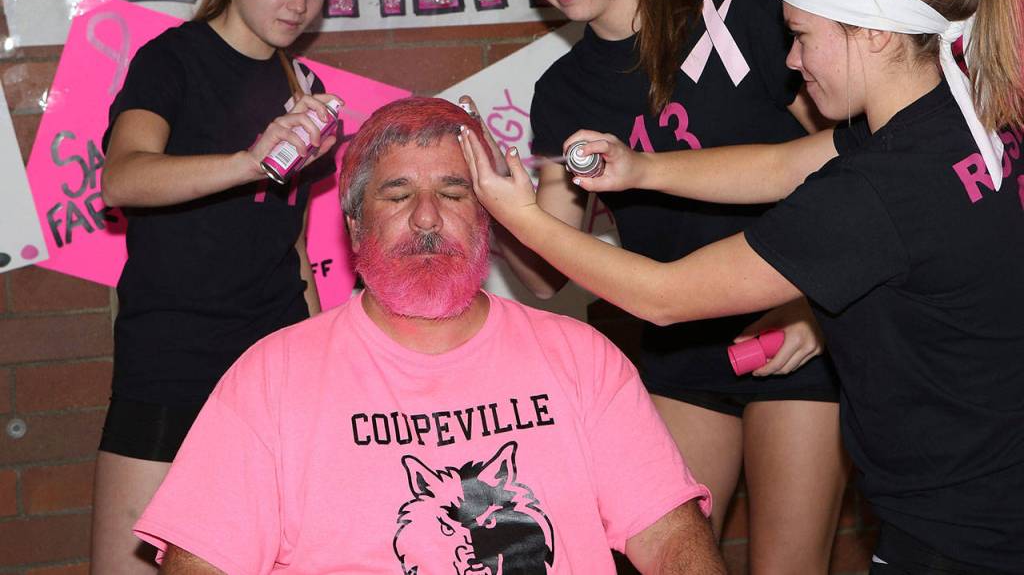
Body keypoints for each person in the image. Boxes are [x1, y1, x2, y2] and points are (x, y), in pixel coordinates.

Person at [461, 0, 1024, 574]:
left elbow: (665, 296)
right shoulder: (967, 118)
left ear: (873, 33)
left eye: (802, 36)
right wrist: (642, 170)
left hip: (958, 528)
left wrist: (521, 216)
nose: (791, 59)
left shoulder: (875, 188)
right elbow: (782, 165)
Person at [129, 97, 725, 574]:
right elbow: (200, 560)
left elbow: (671, 535)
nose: (426, 217)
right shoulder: (271, 378)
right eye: (397, 195)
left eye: (453, 193)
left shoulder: (581, 357)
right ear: (355, 226)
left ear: (487, 217)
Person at [462, 0, 846, 570]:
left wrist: (818, 304)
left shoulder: (734, 14)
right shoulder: (563, 89)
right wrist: (494, 202)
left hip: (794, 326)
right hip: (681, 347)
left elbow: (842, 161)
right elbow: (547, 273)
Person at [92, 0, 342, 574]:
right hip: (172, 354)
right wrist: (248, 162)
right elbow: (122, 178)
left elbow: (293, 246)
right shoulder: (171, 59)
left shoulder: (306, 91)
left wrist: (320, 356)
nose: (298, 6)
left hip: (273, 358)